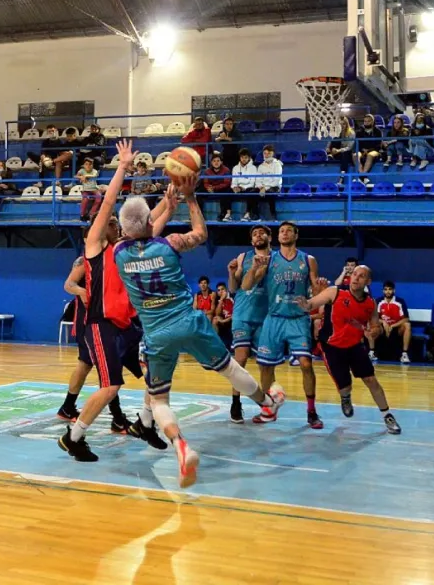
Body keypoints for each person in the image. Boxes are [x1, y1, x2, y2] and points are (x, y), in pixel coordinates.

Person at [114, 163, 285, 488]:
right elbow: (201, 234)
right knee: (229, 369)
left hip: (156, 331)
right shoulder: (170, 244)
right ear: (151, 222)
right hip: (189, 320)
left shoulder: (119, 252)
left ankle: (181, 447)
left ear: (124, 229)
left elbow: (142, 228)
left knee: (159, 398)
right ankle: (266, 403)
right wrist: (189, 199)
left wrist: (166, 205)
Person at [57, 140, 177, 463]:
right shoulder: (94, 247)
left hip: (126, 326)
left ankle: (144, 422)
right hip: (101, 324)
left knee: (156, 368)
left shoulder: (125, 250)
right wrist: (123, 167)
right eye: (110, 221)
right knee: (110, 386)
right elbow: (110, 201)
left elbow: (149, 227)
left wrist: (169, 204)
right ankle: (73, 436)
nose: (115, 224)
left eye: (116, 223)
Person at [299, 266, 402, 434]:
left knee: (371, 380)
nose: (356, 278)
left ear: (368, 281)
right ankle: (345, 397)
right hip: (332, 347)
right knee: (345, 387)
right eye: (354, 274)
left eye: (361, 276)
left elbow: (375, 325)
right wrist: (304, 304)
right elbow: (311, 303)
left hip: (355, 346)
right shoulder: (335, 292)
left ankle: (387, 415)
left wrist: (375, 331)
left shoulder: (370, 302)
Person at [243, 221, 324, 428]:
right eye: (281, 231)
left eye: (288, 231)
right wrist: (253, 269)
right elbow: (246, 286)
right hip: (275, 318)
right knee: (265, 366)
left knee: (306, 365)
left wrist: (320, 288)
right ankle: (269, 409)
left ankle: (312, 411)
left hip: (298, 319)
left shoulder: (308, 260)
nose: (284, 233)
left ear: (296, 235)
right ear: (277, 237)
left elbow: (316, 292)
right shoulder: (269, 260)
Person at [57, 239, 134, 432]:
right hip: (88, 320)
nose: (115, 227)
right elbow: (68, 283)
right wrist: (81, 291)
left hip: (103, 320)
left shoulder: (113, 256)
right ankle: (117, 417)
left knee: (86, 365)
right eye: (110, 223)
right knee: (106, 367)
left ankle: (67, 407)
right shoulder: (85, 260)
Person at [226, 225, 272, 423]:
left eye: (262, 233)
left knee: (265, 364)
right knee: (241, 360)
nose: (258, 236)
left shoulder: (278, 259)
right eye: (254, 234)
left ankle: (266, 404)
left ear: (270, 237)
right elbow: (234, 288)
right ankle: (236, 403)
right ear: (251, 240)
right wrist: (231, 272)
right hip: (242, 314)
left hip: (265, 316)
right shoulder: (243, 257)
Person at [374, 281, 411, 364]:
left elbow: (406, 319)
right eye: (385, 289)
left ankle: (404, 354)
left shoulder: (400, 301)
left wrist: (392, 326)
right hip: (382, 329)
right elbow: (374, 317)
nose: (387, 291)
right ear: (383, 291)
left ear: (394, 290)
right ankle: (371, 352)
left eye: (390, 289)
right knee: (370, 325)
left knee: (407, 325)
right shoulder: (378, 301)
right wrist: (383, 322)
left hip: (396, 328)